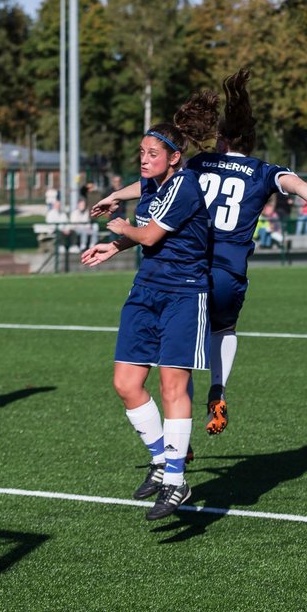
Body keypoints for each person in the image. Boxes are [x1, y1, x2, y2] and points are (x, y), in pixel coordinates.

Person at [93, 71, 307, 437]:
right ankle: (217, 389)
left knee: (176, 361)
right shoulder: (263, 171)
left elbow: (152, 181)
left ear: (220, 139)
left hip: (192, 267)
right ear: (249, 143)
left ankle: (175, 442)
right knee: (224, 328)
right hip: (228, 272)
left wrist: (115, 197)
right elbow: (299, 186)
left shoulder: (198, 165)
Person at [81, 115, 214, 521]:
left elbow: (153, 235)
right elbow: (140, 193)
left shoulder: (185, 185)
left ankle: (175, 479)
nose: (143, 158)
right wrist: (114, 245)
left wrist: (122, 226)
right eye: (141, 152)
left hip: (185, 294)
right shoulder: (155, 184)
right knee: (126, 383)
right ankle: (162, 458)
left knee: (173, 385)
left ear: (175, 158)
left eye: (152, 153)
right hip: (146, 291)